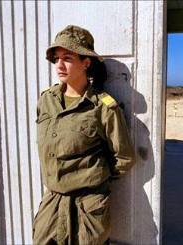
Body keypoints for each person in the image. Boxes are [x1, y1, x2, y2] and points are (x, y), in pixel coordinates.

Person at [32, 25, 135, 245]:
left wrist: (93, 177)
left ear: (85, 63)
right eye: (57, 58)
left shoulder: (104, 106)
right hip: (52, 203)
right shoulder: (46, 100)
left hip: (88, 206)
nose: (59, 65)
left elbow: (124, 157)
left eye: (67, 58)